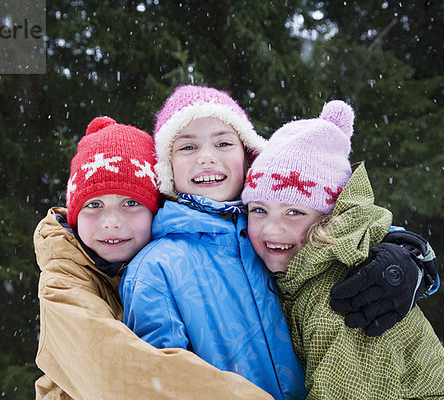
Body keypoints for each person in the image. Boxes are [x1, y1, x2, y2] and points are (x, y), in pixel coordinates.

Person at [119, 85, 439, 399]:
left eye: (223, 143)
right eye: (187, 147)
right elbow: (161, 385)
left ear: (247, 155)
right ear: (166, 166)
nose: (206, 158)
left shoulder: (266, 226)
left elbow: (341, 223)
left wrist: (408, 253)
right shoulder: (156, 267)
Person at [241, 100, 444, 399]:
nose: (271, 230)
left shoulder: (341, 293)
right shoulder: (302, 274)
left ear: (328, 218)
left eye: (294, 212)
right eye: (259, 210)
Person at [34, 116, 276, 400]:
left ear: (156, 208)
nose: (111, 222)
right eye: (94, 205)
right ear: (74, 216)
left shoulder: (169, 263)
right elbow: (118, 374)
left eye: (131, 203)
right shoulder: (62, 281)